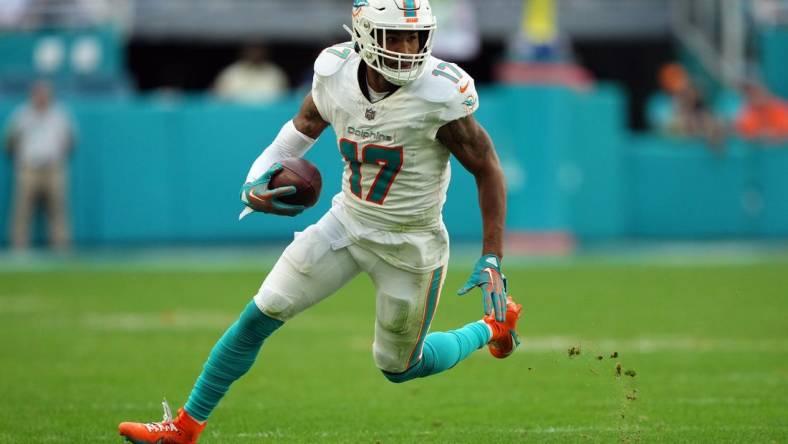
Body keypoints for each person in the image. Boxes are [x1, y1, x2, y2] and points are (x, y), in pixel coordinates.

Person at [118, 1, 522, 442]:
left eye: (415, 36)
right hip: (346, 223)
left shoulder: (439, 93)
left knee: (401, 367)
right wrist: (252, 184)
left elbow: (487, 167)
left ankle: (491, 328)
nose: (407, 48)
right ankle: (184, 428)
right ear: (365, 34)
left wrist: (491, 258)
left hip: (410, 243)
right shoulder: (335, 73)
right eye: (395, 36)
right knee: (260, 314)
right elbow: (295, 135)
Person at [5, 81, 75, 251]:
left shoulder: (60, 115)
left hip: (54, 168)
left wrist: (60, 158)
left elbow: (71, 140)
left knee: (58, 208)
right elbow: (9, 141)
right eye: (38, 94)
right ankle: (19, 247)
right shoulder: (22, 115)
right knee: (23, 209)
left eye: (45, 94)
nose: (41, 98)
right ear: (32, 95)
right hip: (29, 167)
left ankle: (62, 247)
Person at [213, 44, 289, 104]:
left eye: (258, 49)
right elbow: (217, 99)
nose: (256, 53)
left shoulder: (276, 74)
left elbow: (284, 101)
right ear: (245, 51)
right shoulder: (231, 73)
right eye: (252, 49)